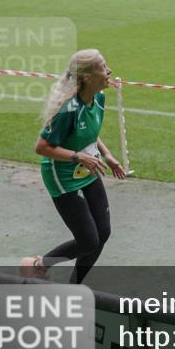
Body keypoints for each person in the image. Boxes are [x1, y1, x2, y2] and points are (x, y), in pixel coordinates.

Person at [20, 49, 126, 283]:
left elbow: (88, 132)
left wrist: (107, 155)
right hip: (63, 174)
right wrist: (78, 157)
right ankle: (37, 265)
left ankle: (74, 284)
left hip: (88, 168)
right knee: (88, 239)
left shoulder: (98, 98)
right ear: (87, 77)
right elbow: (42, 147)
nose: (109, 71)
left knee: (103, 233)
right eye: (103, 67)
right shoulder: (68, 109)